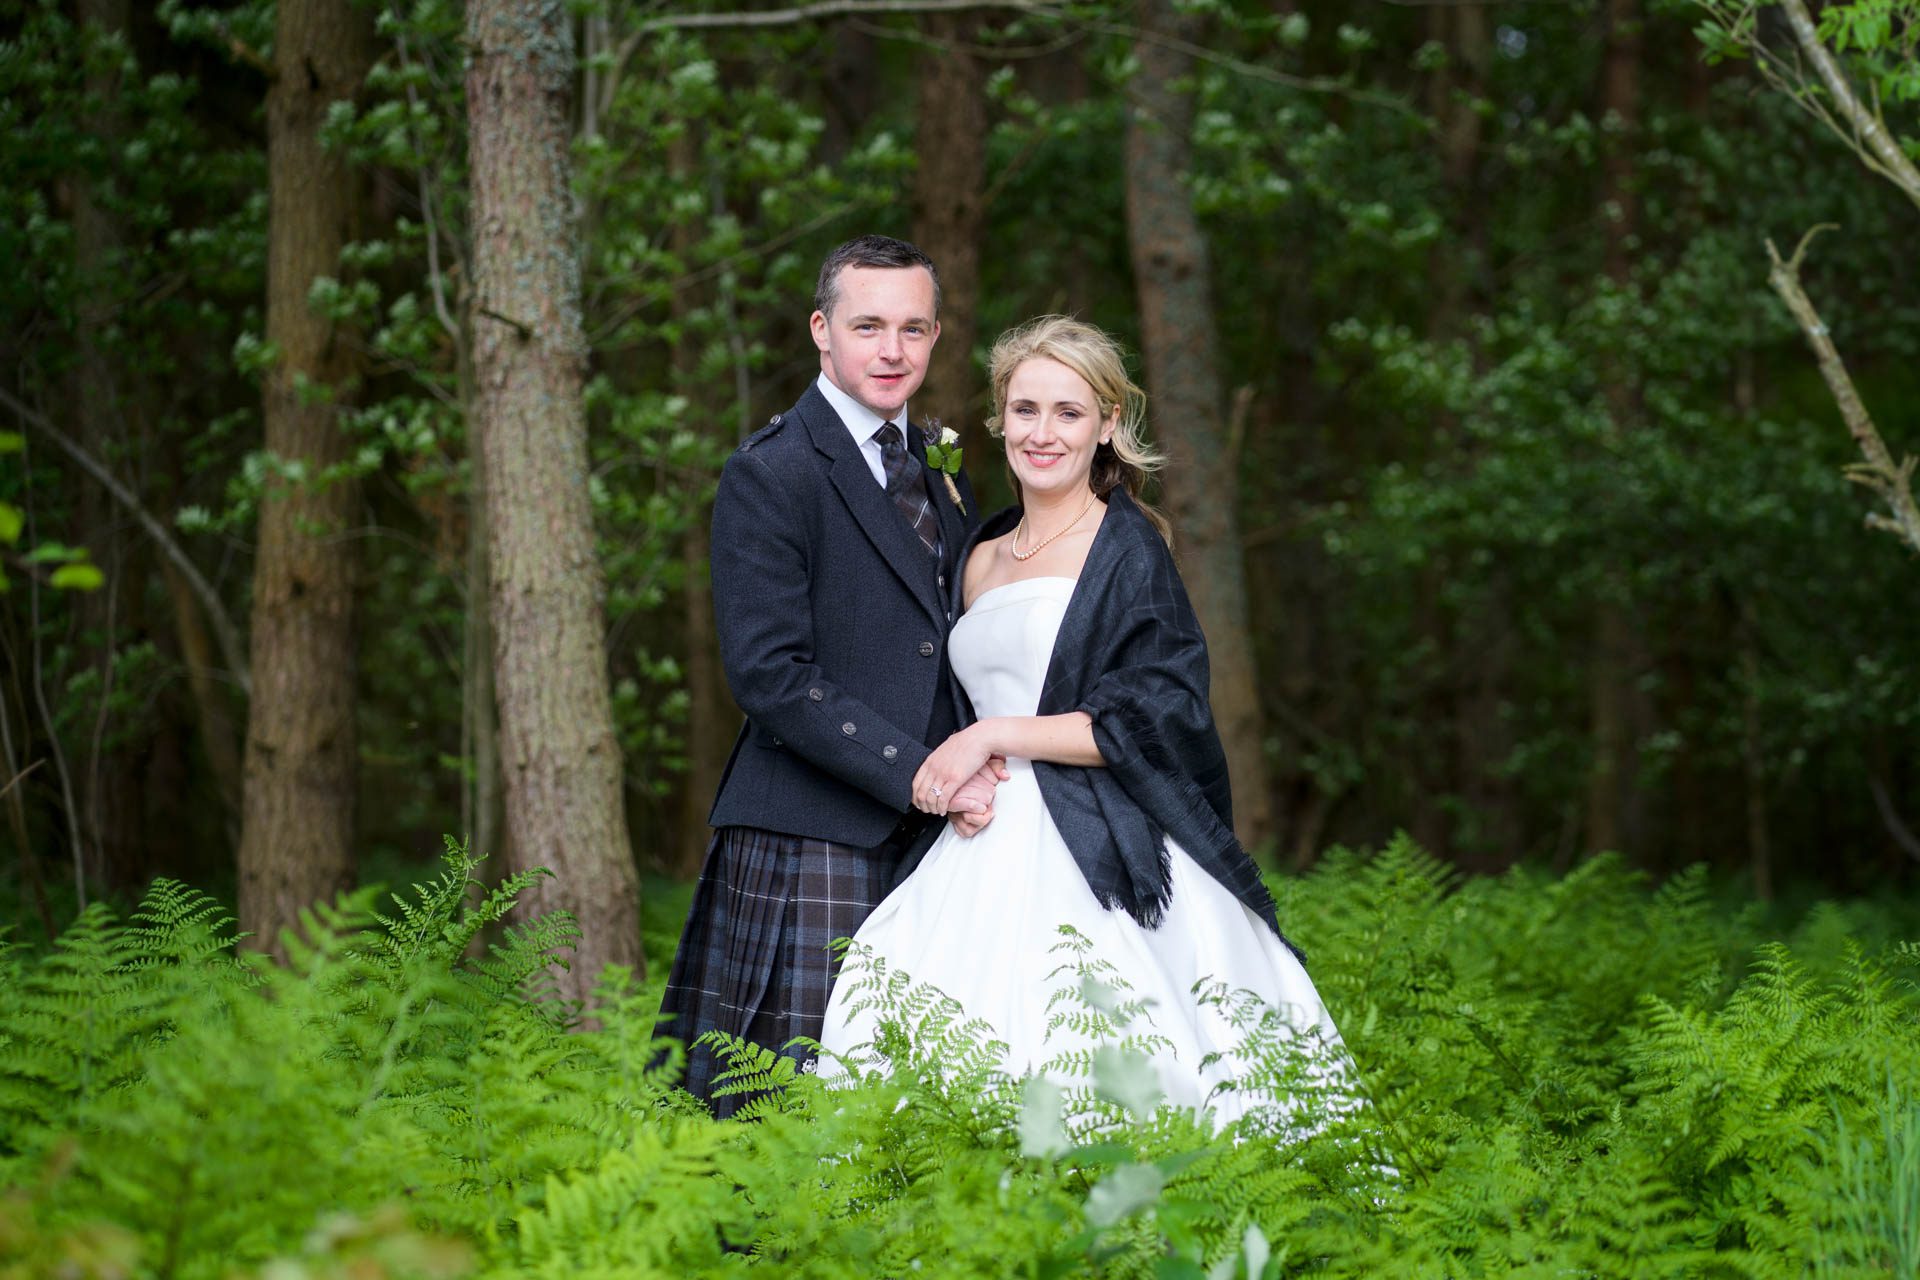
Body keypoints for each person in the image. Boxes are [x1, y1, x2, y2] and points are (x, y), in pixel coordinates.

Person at [819, 316, 1344, 1124]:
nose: (1043, 433)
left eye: (1068, 413)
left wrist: (993, 736)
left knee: (1098, 1041)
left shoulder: (1128, 552)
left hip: (1095, 829)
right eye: (1026, 410)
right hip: (979, 837)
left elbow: (1152, 716)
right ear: (1000, 420)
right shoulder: (982, 552)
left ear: (1106, 426)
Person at [659, 235, 1001, 1117]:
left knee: (902, 1089)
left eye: (914, 329)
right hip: (811, 827)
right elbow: (771, 675)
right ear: (822, 330)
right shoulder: (770, 472)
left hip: (934, 830)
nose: (893, 350)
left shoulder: (935, 465)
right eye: (869, 326)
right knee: (786, 1101)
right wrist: (922, 774)